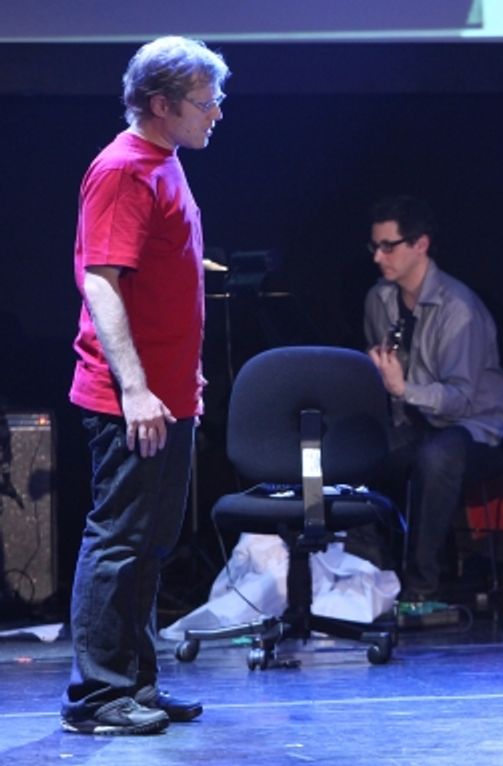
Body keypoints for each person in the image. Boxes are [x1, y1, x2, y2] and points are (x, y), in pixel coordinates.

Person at [62, 36, 229, 735]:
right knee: (120, 541)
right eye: (204, 100)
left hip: (166, 397)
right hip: (127, 399)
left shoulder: (164, 162)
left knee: (150, 545)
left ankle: (135, 683)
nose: (217, 111)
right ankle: (97, 699)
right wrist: (134, 387)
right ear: (160, 105)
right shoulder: (124, 169)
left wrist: (179, 371)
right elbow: (101, 283)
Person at [363, 195, 503, 604]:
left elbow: (461, 400)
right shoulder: (379, 300)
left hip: (478, 428)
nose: (379, 257)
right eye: (375, 247)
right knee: (355, 452)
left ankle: (421, 587)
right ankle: (369, 575)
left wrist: (400, 389)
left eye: (389, 246)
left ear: (420, 245)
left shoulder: (458, 308)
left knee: (437, 456)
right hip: (416, 422)